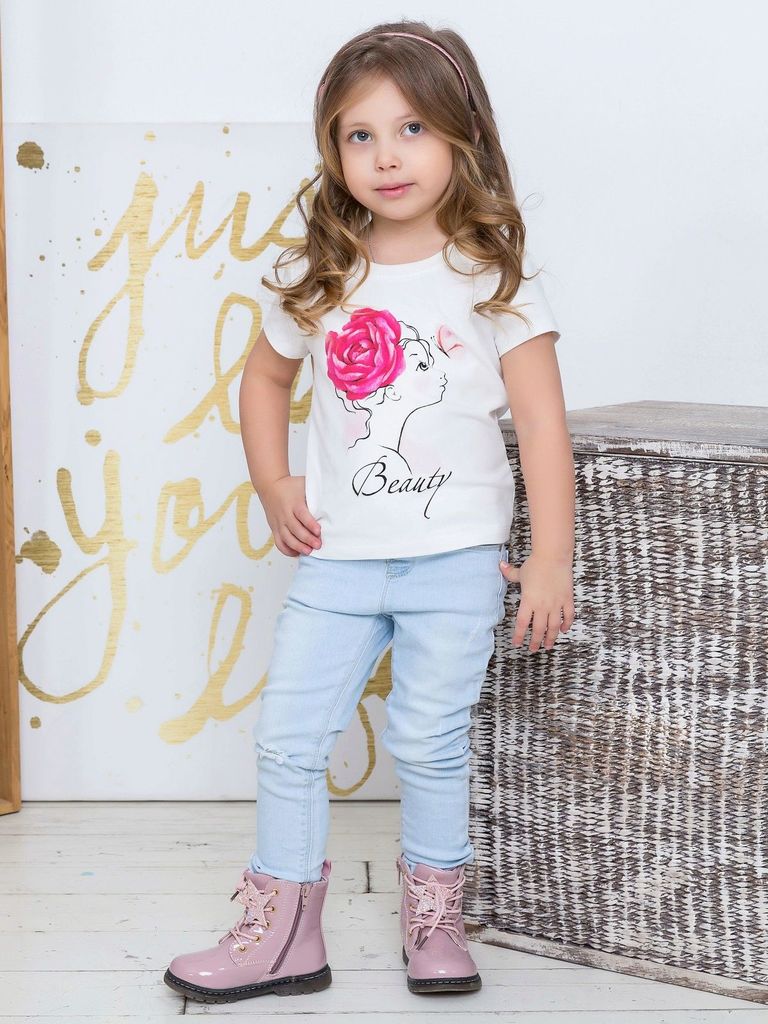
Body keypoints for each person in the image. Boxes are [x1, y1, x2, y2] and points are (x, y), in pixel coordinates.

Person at [164, 18, 575, 1005]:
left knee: (430, 741)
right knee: (289, 738)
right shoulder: (324, 276)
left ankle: (434, 920)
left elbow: (541, 425)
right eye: (361, 135)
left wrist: (552, 557)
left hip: (457, 561)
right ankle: (283, 933)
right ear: (333, 149)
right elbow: (264, 380)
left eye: (412, 129)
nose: (387, 156)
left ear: (462, 135)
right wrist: (275, 483)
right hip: (340, 560)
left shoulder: (494, 279)